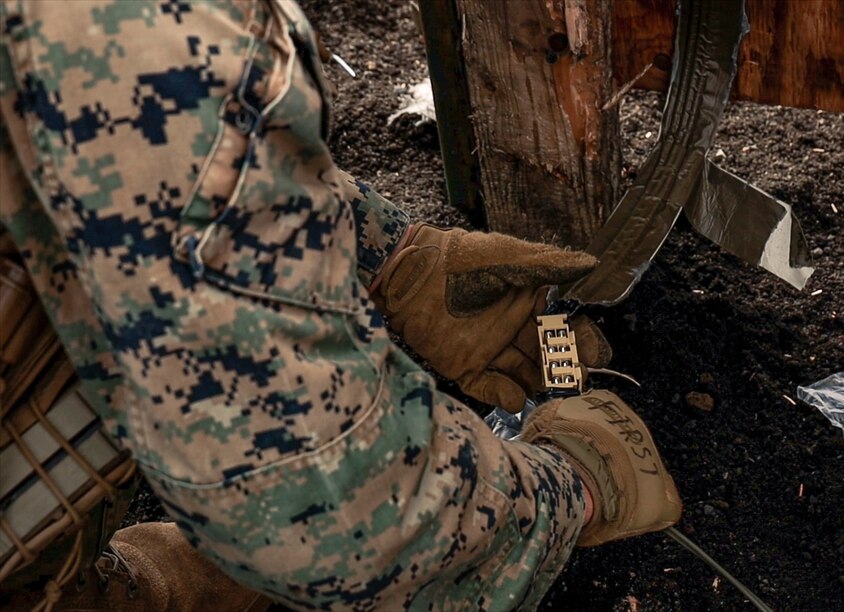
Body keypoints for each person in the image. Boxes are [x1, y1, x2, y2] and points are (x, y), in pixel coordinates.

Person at [0, 1, 681, 609]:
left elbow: (130, 160)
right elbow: (333, 508)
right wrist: (573, 491)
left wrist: (392, 258)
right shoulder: (138, 24)